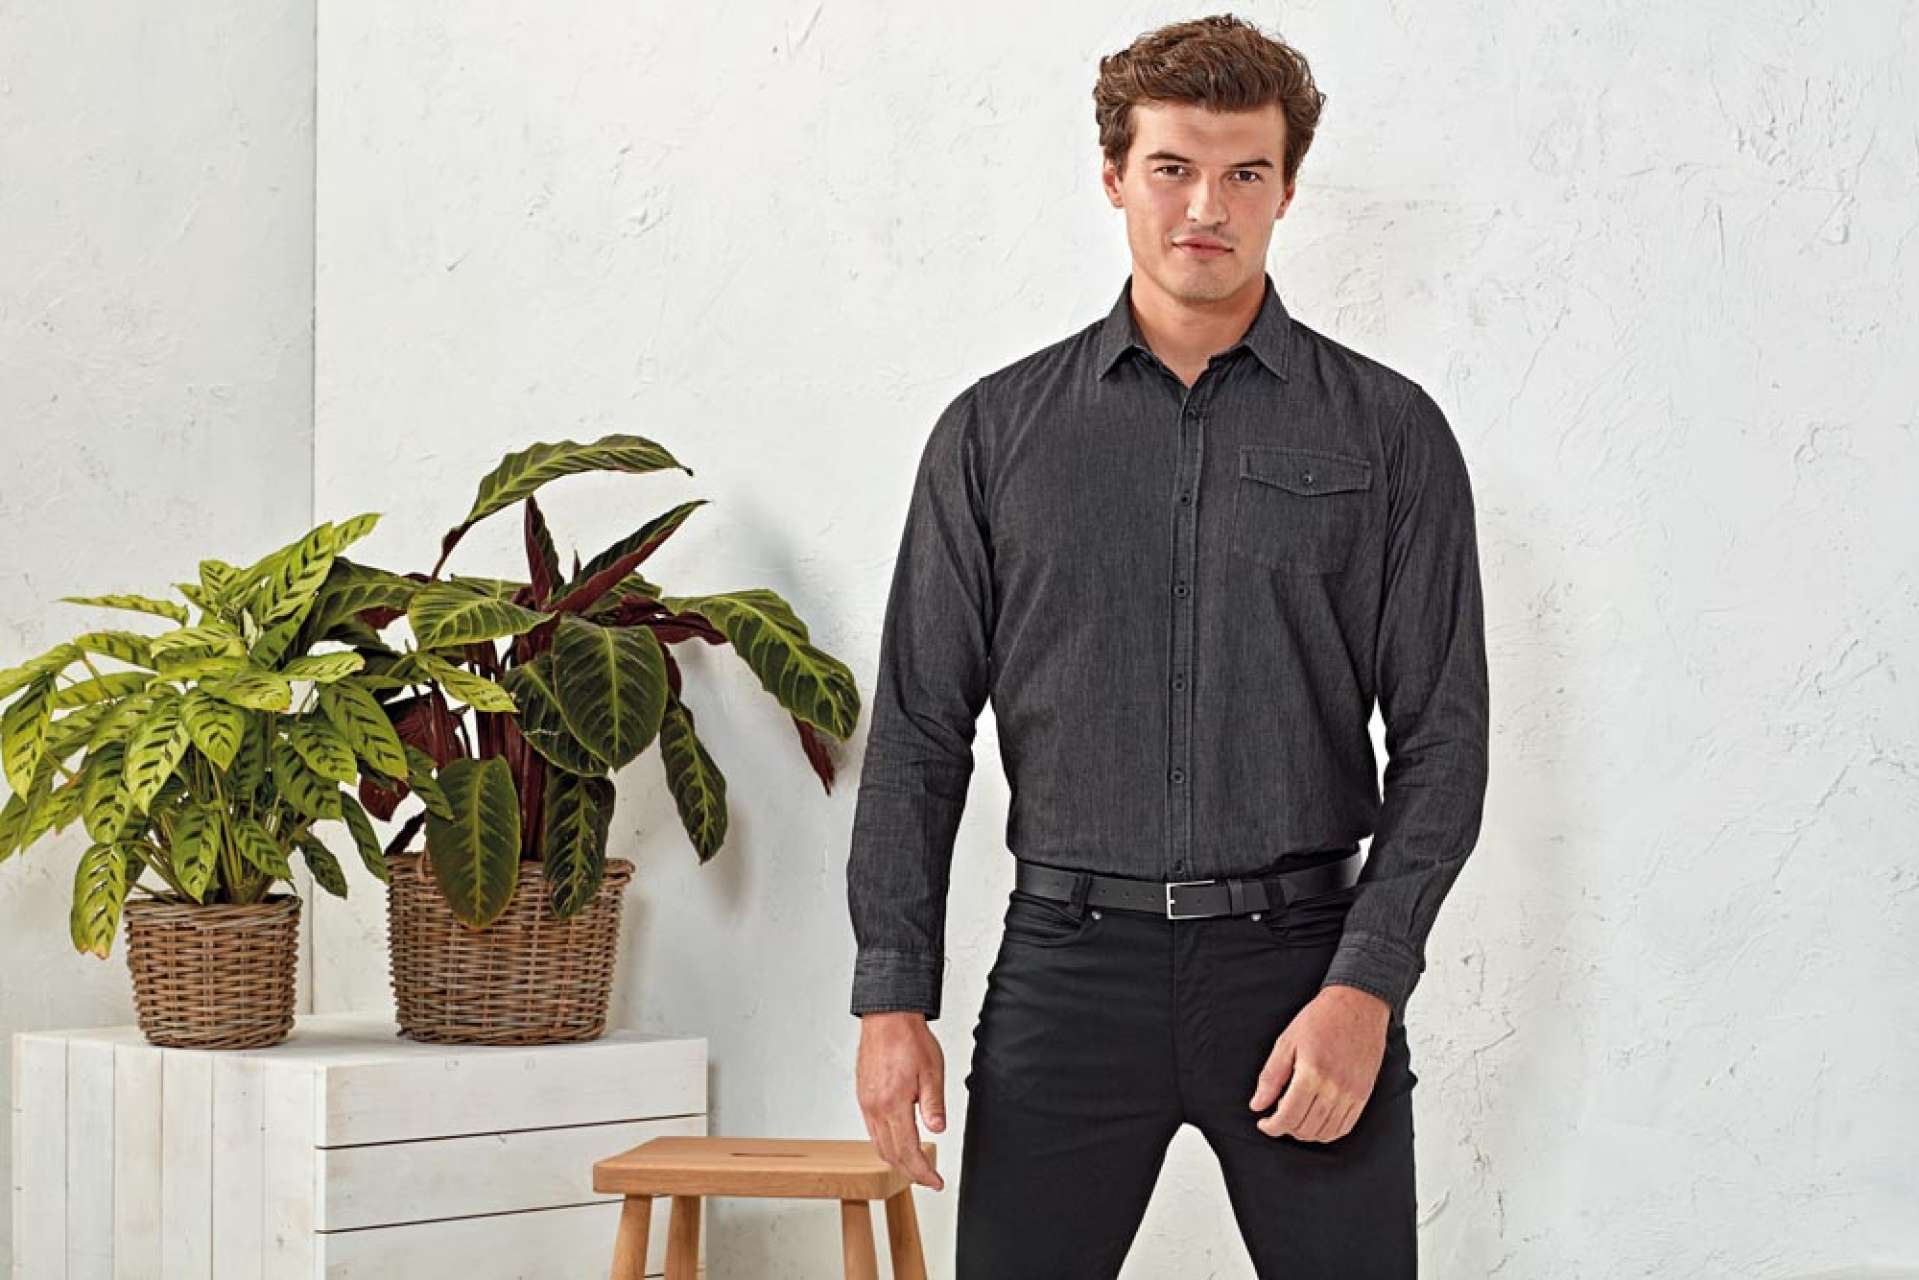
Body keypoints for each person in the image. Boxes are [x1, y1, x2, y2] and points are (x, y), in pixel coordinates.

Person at [845, 14, 1489, 1278]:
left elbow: (1443, 740)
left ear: (1286, 189)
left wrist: (1365, 986)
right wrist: (890, 994)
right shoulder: (992, 435)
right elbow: (920, 728)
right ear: (1112, 177)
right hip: (1067, 972)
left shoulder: (1388, 433)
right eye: (1172, 167)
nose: (1206, 205)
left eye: (1244, 171)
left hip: (1304, 971)